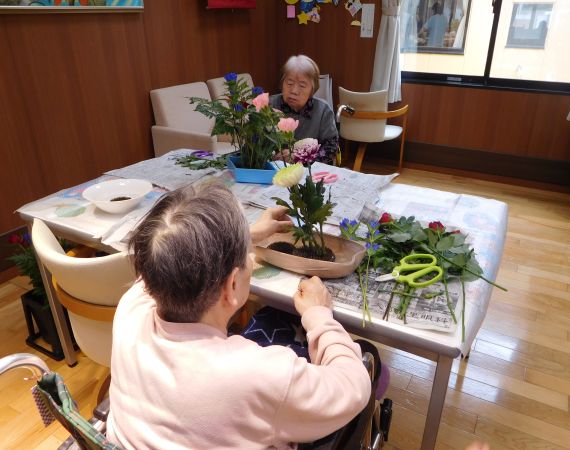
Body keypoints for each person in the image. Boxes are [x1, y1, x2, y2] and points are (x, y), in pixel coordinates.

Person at [106, 181, 371, 449]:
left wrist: (247, 235)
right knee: (368, 357)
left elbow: (167, 254)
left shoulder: (131, 309)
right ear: (232, 286)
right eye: (247, 256)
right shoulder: (260, 376)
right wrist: (319, 315)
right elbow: (353, 387)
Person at [270, 54, 339, 165]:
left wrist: (300, 157)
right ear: (282, 83)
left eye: (302, 86)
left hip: (309, 170)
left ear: (312, 89)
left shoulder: (323, 111)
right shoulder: (269, 105)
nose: (294, 91)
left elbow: (330, 151)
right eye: (289, 83)